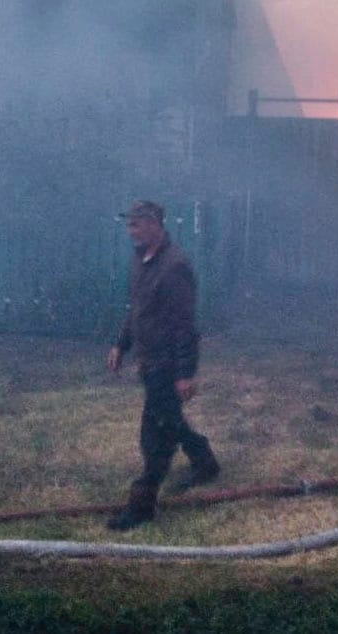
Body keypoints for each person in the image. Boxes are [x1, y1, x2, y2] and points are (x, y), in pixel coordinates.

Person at [106, 200, 220, 531]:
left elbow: (185, 325)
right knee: (169, 419)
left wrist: (186, 373)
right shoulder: (141, 260)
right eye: (129, 225)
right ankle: (205, 461)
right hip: (148, 359)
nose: (131, 232)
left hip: (166, 364)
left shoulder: (175, 267)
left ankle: (142, 505)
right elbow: (138, 309)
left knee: (154, 436)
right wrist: (120, 344)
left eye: (137, 225)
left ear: (155, 224)